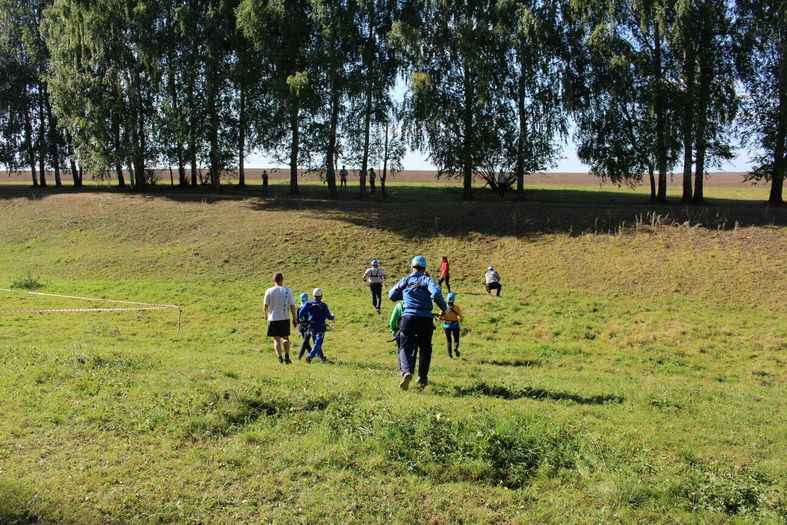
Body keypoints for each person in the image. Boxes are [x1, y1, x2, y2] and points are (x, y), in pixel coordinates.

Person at [388, 255, 447, 391]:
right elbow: (437, 294)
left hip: (408, 317)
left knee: (404, 346)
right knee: (425, 348)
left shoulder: (406, 280)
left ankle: (407, 372)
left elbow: (391, 295)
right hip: (425, 319)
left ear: (411, 267)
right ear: (424, 268)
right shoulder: (428, 280)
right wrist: (444, 308)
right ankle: (422, 377)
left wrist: (404, 294)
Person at [263, 272, 298, 363]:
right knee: (286, 338)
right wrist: (294, 318)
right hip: (285, 318)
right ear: (282, 280)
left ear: (273, 280)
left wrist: (266, 315)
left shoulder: (269, 291)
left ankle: (279, 358)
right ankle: (287, 356)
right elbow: (292, 306)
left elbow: (265, 306)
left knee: (276, 340)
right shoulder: (287, 291)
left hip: (273, 319)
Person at [301, 288, 336, 363]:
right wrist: (333, 316)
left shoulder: (308, 304)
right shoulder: (323, 305)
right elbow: (329, 317)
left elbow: (301, 311)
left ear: (313, 295)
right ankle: (310, 356)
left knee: (316, 343)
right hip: (320, 327)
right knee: (318, 343)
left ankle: (322, 358)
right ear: (321, 296)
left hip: (312, 327)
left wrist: (300, 319)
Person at [439, 292, 464, 358]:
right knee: (456, 339)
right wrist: (461, 320)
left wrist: (443, 318)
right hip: (455, 325)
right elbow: (461, 317)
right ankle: (455, 347)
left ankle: (450, 355)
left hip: (447, 326)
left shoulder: (444, 308)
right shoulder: (457, 308)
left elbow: (440, 318)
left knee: (449, 341)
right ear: (454, 299)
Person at [296, 292, 312, 360]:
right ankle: (302, 355)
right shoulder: (310, 308)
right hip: (307, 327)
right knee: (306, 342)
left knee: (306, 341)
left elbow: (298, 321)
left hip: (302, 327)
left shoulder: (299, 309)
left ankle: (308, 354)